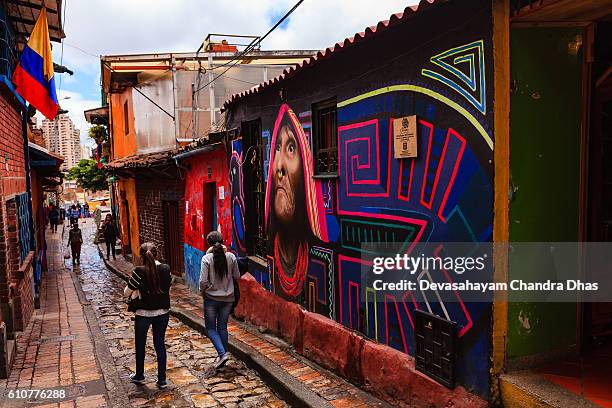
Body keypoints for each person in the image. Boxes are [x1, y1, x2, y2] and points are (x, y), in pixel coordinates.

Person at [265, 104, 328, 297]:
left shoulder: (322, 261)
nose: (279, 166)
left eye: (290, 148)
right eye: (276, 148)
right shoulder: (268, 249)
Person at [124, 243, 171, 389]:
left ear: (141, 256)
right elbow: (168, 285)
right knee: (160, 344)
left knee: (140, 345)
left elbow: (127, 292)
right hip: (162, 313)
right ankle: (162, 380)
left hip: (143, 314)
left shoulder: (139, 271)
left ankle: (139, 375)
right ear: (157, 254)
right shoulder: (165, 268)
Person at [200, 231, 240, 369]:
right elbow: (237, 276)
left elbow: (203, 281)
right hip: (228, 298)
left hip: (211, 298)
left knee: (211, 328)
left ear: (209, 244)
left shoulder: (206, 259)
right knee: (222, 327)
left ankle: (222, 354)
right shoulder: (231, 257)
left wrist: (203, 292)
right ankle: (223, 355)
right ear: (223, 241)